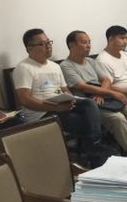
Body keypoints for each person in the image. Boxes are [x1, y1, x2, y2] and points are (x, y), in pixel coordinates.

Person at [61, 31, 127, 159]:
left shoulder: (91, 61)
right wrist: (111, 92)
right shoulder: (66, 65)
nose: (88, 45)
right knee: (118, 118)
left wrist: (101, 94)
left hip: (104, 99)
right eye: (84, 42)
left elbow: (106, 80)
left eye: (89, 42)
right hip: (90, 105)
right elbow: (82, 86)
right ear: (72, 45)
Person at [13, 29, 102, 157]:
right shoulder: (24, 68)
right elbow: (25, 100)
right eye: (42, 44)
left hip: (60, 105)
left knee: (89, 103)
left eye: (49, 42)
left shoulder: (54, 66)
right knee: (83, 121)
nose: (48, 46)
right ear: (29, 48)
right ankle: (94, 151)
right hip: (42, 114)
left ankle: (93, 149)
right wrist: (56, 107)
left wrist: (70, 99)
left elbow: (65, 90)